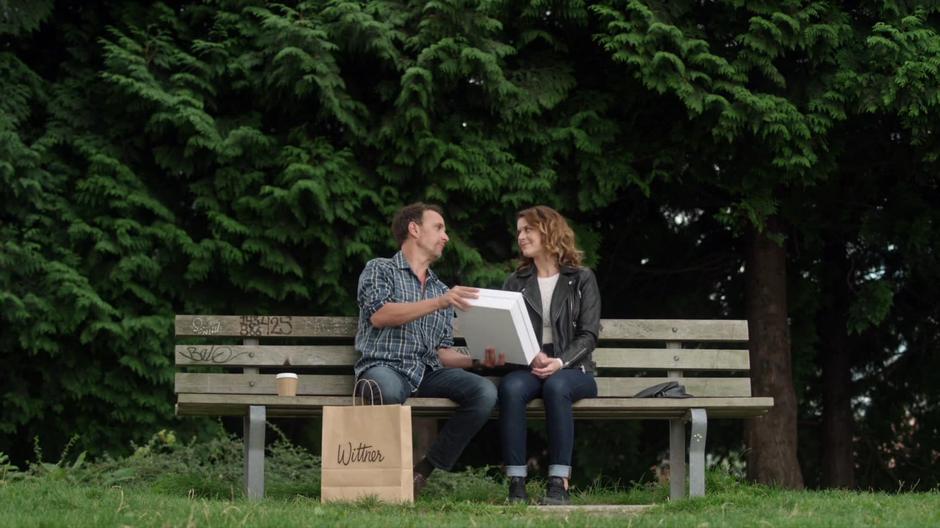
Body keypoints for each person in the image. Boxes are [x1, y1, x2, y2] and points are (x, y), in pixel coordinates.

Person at [354, 202, 504, 499]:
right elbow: (380, 315)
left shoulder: (440, 289)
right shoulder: (380, 269)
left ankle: (422, 471)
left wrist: (477, 360)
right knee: (385, 389)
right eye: (439, 228)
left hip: (427, 373)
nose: (446, 236)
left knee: (484, 392)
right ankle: (381, 480)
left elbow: (441, 352)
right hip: (384, 366)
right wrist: (440, 303)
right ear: (414, 229)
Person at [498, 205, 601, 505]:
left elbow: (588, 334)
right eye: (518, 231)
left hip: (574, 368)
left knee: (557, 387)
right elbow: (510, 332)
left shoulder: (581, 278)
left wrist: (559, 362)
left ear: (549, 231)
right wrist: (532, 358)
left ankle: (559, 484)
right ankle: (516, 484)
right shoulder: (515, 282)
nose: (521, 236)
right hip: (530, 364)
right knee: (511, 387)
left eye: (528, 229)